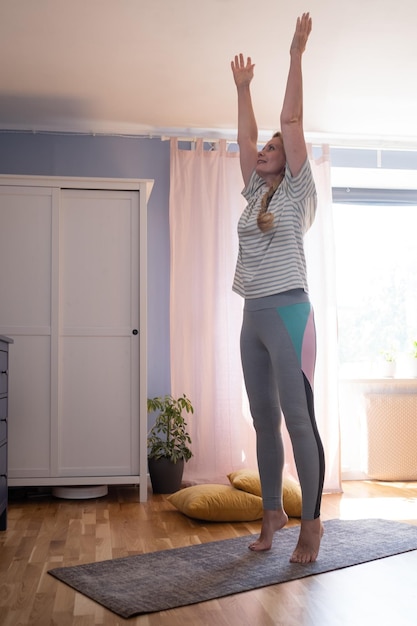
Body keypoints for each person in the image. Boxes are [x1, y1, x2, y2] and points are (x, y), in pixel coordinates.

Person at [231, 12, 325, 564]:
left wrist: (295, 53)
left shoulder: (295, 191)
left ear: (286, 159)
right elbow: (245, 135)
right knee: (263, 419)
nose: (264, 147)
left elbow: (290, 119)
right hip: (252, 317)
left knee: (298, 418)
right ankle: (273, 512)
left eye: (272, 146)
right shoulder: (254, 195)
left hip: (290, 314)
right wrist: (242, 90)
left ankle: (311, 525)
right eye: (262, 148)